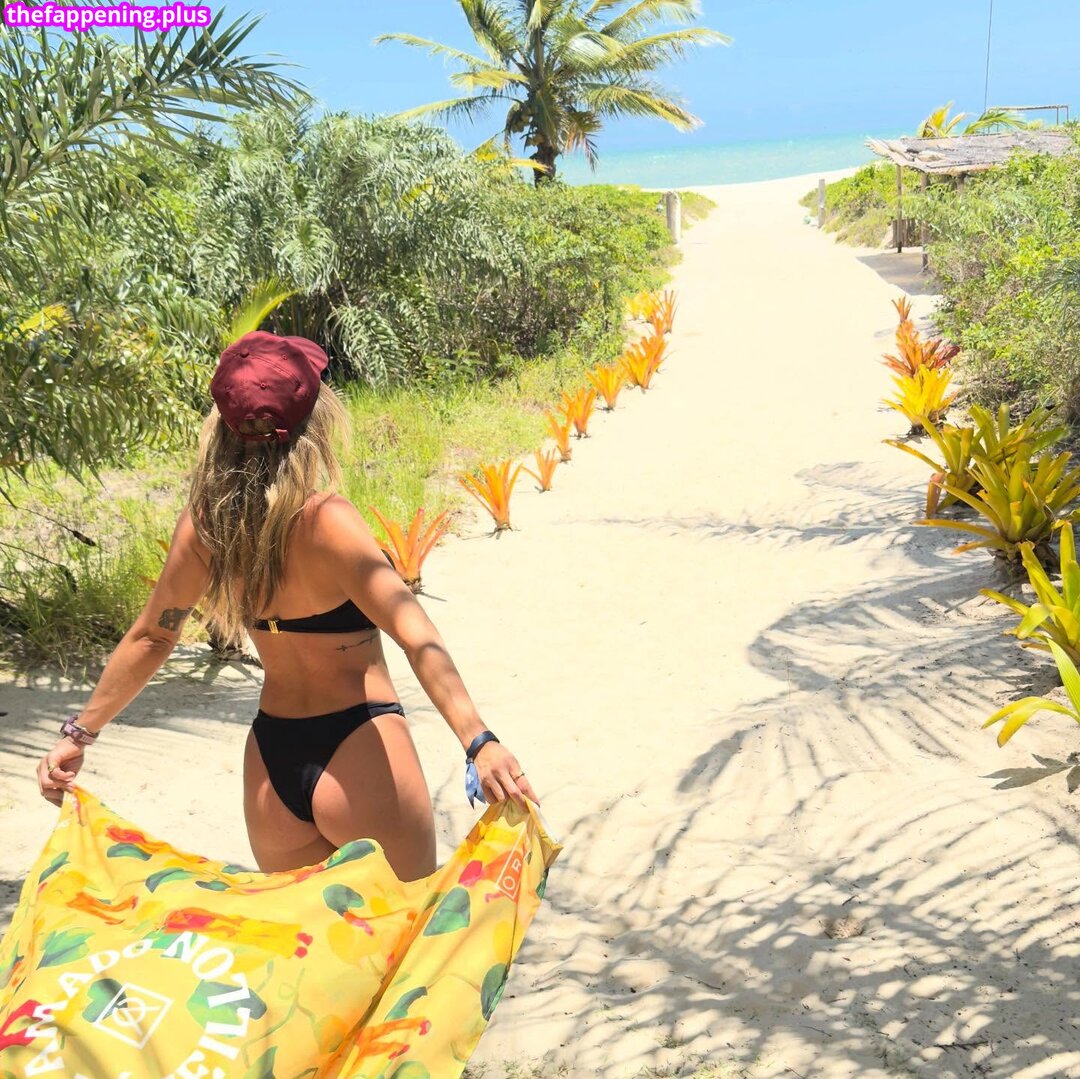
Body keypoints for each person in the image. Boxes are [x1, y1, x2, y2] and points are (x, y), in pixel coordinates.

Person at [35, 330, 538, 881]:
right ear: (312, 422)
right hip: (360, 750)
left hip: (271, 767)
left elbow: (153, 637)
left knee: (308, 935)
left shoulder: (207, 525)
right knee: (409, 927)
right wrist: (478, 741)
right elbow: (416, 636)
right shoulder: (328, 521)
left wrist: (78, 734)